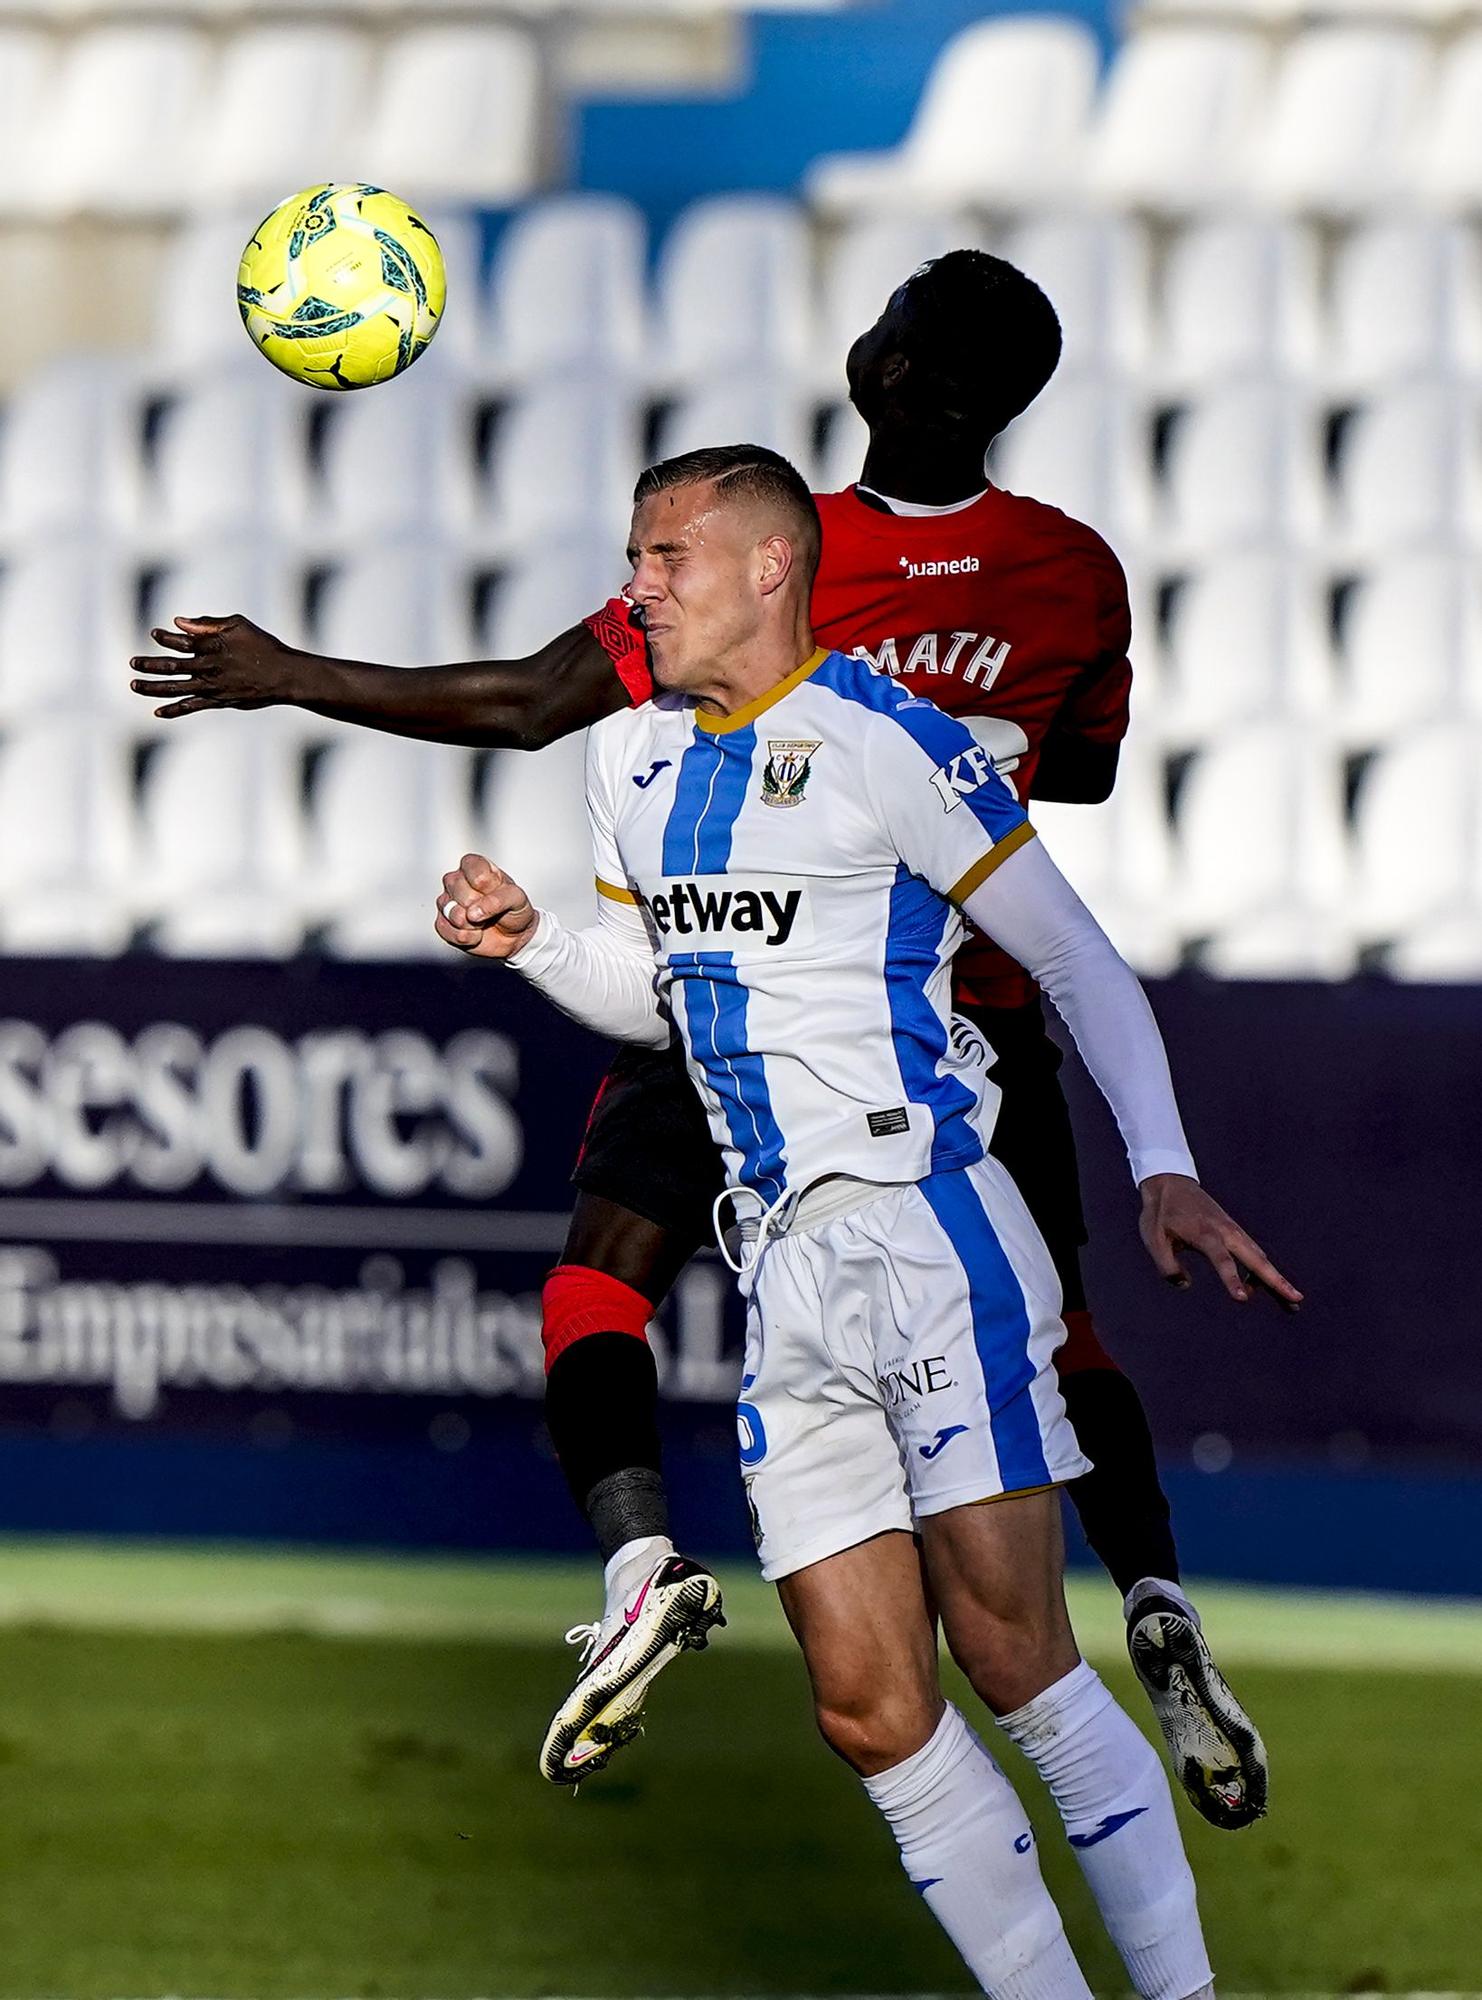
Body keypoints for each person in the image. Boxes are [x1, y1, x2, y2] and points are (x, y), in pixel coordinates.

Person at [129, 251, 1271, 1821]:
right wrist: (952, 760)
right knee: (1050, 1338)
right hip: (959, 1026)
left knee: (603, 1279)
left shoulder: (763, 557)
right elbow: (1073, 775)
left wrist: (290, 675)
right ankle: (1156, 1599)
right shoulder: (1070, 568)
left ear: (883, 369)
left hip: (765, 1002)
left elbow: (535, 701)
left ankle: (642, 1561)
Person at [433, 445, 1301, 2000]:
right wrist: (531, 942)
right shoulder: (627, 761)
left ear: (771, 567)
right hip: (780, 1266)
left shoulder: (890, 740)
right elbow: (660, 995)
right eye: (637, 555)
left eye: (668, 556)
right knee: (866, 1711)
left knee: (1014, 1659)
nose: (639, 587)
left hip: (927, 1233)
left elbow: (1081, 965)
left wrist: (1160, 1160)